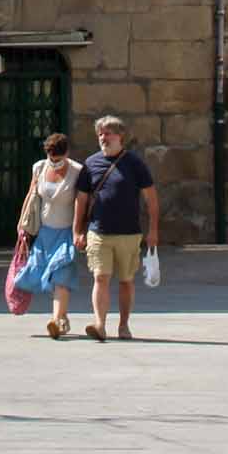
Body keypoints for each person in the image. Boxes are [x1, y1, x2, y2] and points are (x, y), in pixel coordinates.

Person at [71, 114, 159, 343]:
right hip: (98, 231)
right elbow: (81, 199)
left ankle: (123, 324)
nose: (103, 137)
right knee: (100, 277)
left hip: (129, 233)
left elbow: (151, 198)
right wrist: (77, 230)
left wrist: (153, 230)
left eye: (107, 133)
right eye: (100, 134)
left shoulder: (134, 163)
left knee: (126, 280)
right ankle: (100, 324)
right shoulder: (90, 164)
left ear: (120, 136)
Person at [13, 132, 81, 339]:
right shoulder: (40, 167)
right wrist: (22, 223)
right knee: (43, 274)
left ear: (66, 153)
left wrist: (79, 230)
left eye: (58, 159)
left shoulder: (78, 171)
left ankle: (57, 320)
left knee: (61, 276)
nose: (55, 162)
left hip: (66, 232)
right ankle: (62, 319)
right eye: (52, 158)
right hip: (44, 232)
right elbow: (32, 194)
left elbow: (81, 202)